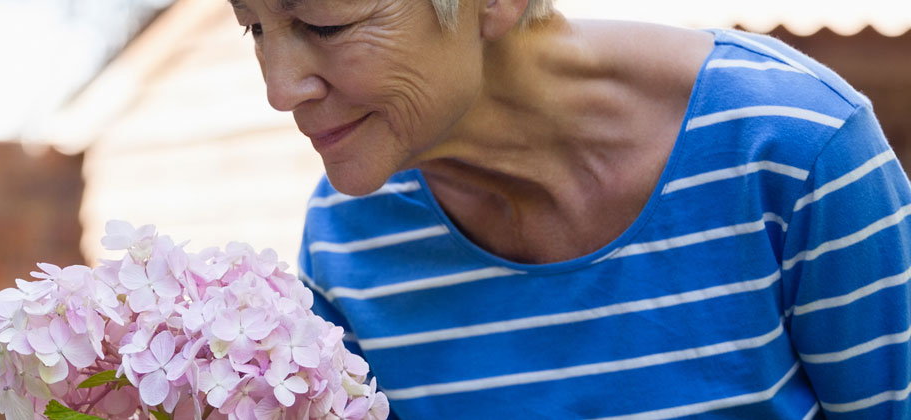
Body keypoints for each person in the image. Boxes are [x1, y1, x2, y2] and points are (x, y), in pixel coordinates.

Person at [236, 0, 911, 417]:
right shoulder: (348, 241)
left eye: (325, 22)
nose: (279, 87)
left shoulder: (793, 150)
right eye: (254, 28)